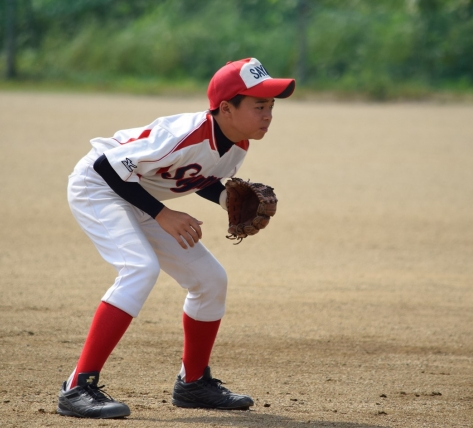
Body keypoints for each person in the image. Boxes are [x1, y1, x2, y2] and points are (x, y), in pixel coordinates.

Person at [57, 57, 295, 419]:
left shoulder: (239, 145)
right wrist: (162, 214)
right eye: (259, 106)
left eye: (271, 106)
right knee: (139, 268)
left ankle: (193, 383)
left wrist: (225, 199)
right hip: (98, 186)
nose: (268, 115)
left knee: (210, 280)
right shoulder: (183, 134)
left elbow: (198, 176)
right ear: (226, 109)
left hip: (138, 194)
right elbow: (108, 166)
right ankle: (77, 386)